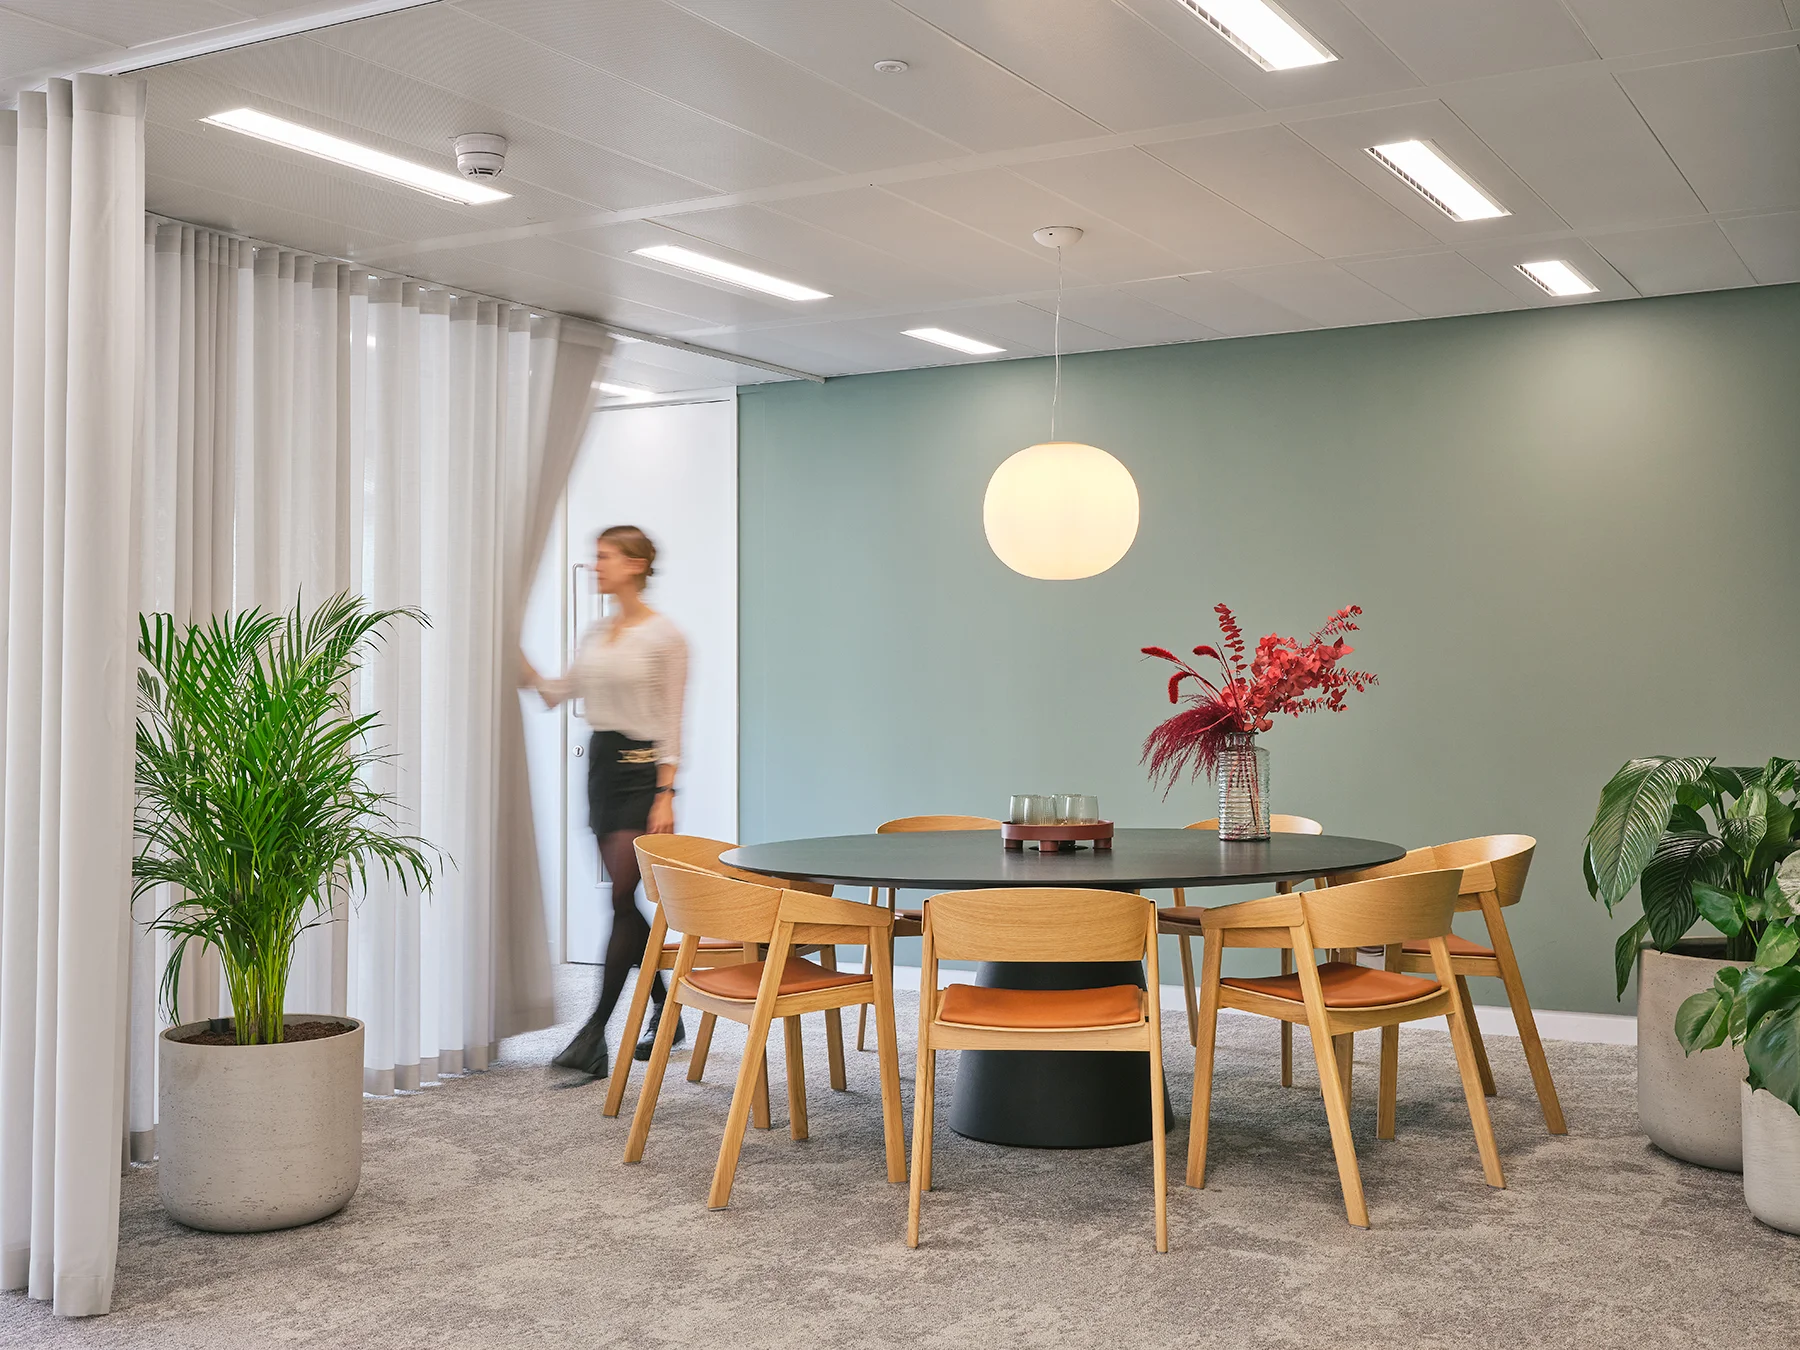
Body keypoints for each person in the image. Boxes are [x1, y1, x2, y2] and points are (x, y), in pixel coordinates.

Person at [522, 524, 688, 1081]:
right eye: (596, 557)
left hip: (643, 777)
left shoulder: (665, 637)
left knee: (622, 896)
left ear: (637, 565)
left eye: (606, 557)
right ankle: (667, 1005)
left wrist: (666, 794)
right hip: (599, 769)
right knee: (622, 904)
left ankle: (595, 1031)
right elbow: (555, 692)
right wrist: (508, 650)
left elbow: (671, 723)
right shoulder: (596, 633)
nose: (597, 565)